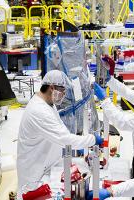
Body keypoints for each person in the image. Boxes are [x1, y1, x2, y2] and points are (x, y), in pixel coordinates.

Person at [16, 70, 103, 199]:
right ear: (51, 87)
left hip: (45, 166)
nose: (63, 94)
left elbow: (62, 132)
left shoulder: (48, 104)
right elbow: (65, 139)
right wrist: (92, 140)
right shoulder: (39, 111)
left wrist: (77, 143)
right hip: (34, 175)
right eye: (62, 90)